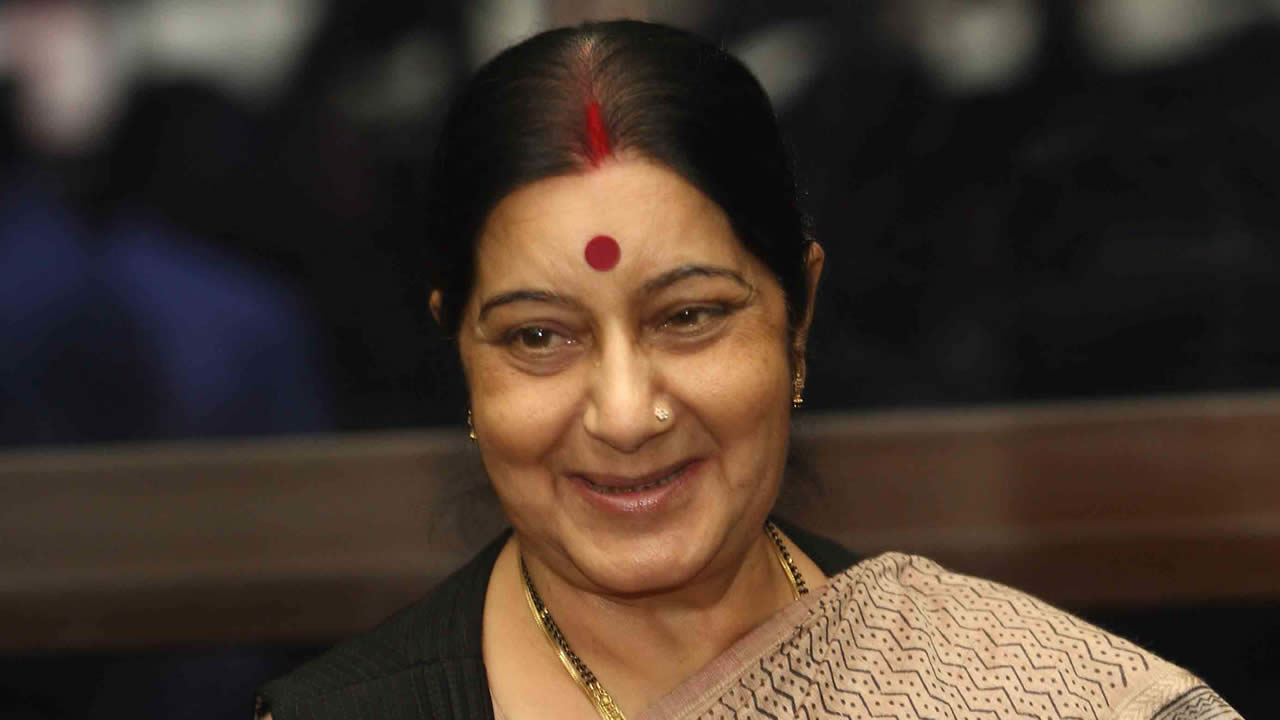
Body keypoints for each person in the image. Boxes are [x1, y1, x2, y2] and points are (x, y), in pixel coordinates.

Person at [257, 20, 1241, 720]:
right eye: (538, 338)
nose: (625, 414)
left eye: (688, 318)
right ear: (460, 352)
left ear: (796, 317)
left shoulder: (1013, 689)